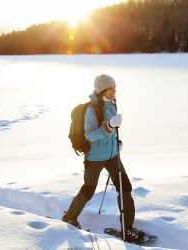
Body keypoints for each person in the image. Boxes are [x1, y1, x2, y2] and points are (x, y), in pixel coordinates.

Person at [62, 74, 145, 243]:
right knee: (89, 189)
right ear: (101, 91)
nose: (114, 92)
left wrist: (116, 143)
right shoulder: (92, 110)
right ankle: (70, 217)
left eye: (115, 88)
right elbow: (90, 135)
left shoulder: (112, 104)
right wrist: (108, 126)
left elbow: (112, 130)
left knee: (125, 187)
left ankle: (127, 228)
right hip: (95, 158)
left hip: (113, 156)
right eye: (111, 89)